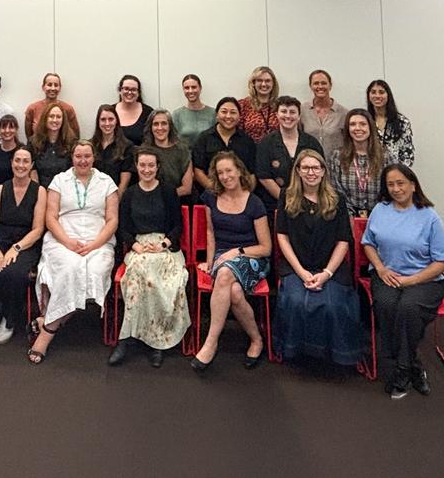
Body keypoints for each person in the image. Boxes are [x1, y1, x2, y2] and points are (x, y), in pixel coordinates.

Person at [362, 164, 444, 399]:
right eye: (390, 184)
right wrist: (381, 269)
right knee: (385, 305)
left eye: (401, 183)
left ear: (413, 185)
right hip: (387, 275)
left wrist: (412, 280)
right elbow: (368, 244)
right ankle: (413, 364)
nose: (396, 188)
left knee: (408, 307)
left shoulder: (429, 216)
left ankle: (402, 370)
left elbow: (442, 262)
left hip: (425, 279)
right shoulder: (380, 210)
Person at [27, 141, 119, 364]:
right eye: (78, 156)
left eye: (87, 156)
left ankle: (48, 324)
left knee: (94, 271)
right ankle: (49, 332)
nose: (83, 160)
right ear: (72, 158)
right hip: (62, 239)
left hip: (98, 242)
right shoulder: (60, 180)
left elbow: (112, 219)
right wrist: (67, 242)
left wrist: (95, 244)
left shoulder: (107, 182)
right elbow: (50, 217)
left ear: (93, 157)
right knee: (69, 268)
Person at [272, 149, 360, 366]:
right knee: (295, 303)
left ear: (323, 171)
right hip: (296, 266)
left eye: (316, 167)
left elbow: (343, 240)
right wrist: (301, 272)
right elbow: (282, 237)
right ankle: (297, 353)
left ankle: (333, 355)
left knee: (334, 306)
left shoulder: (337, 199)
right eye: (306, 168)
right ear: (298, 171)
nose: (311, 172)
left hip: (330, 267)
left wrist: (327, 273)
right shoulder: (286, 196)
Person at [108, 148, 190, 368]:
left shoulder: (168, 191)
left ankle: (157, 342)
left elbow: (177, 225)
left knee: (159, 283)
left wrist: (163, 244)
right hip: (139, 248)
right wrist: (135, 245)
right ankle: (125, 339)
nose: (146, 170)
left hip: (164, 247)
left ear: (157, 167)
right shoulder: (130, 194)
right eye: (142, 165)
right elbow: (123, 228)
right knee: (135, 280)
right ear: (136, 166)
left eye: (151, 166)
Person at [191, 151, 272, 371]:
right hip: (222, 256)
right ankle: (257, 339)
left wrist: (238, 251)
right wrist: (209, 262)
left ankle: (210, 343)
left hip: (252, 257)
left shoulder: (255, 203)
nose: (225, 176)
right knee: (234, 292)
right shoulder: (211, 197)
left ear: (239, 171)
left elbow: (266, 248)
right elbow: (210, 233)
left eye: (229, 170)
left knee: (226, 274)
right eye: (220, 173)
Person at [0, 146, 47, 345]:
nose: (21, 165)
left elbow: (38, 229)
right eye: (17, 160)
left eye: (25, 161)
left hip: (25, 243)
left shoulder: (40, 191)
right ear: (11, 163)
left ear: (31, 165)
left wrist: (16, 248)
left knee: (13, 273)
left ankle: (9, 319)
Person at [256, 96, 323, 214]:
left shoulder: (311, 143)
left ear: (299, 116)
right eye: (283, 111)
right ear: (276, 114)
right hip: (276, 206)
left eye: (292, 112)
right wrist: (286, 200)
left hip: (309, 205)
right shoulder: (266, 143)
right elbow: (264, 177)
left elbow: (320, 172)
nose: (288, 116)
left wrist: (305, 200)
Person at [330, 109, 387, 217]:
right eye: (352, 124)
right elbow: (335, 190)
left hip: (380, 216)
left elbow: (389, 190)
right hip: (346, 217)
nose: (357, 128)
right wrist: (350, 216)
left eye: (362, 124)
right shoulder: (337, 156)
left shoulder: (385, 157)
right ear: (347, 129)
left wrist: (378, 215)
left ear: (370, 127)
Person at [193, 97, 256, 193]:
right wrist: (217, 191)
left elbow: (252, 174)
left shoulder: (247, 141)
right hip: (211, 195)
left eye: (233, 112)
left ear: (239, 116)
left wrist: (243, 194)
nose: (228, 116)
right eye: (224, 112)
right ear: (217, 115)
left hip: (241, 197)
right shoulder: (204, 138)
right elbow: (198, 171)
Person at [142, 110, 193, 201]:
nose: (160, 128)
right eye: (156, 124)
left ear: (170, 126)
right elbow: (144, 184)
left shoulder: (182, 150)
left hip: (178, 201)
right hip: (151, 201)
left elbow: (186, 188)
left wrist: (163, 198)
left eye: (164, 123)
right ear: (151, 127)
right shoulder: (144, 151)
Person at [300, 69, 348, 162]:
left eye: (324, 83)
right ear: (311, 86)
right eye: (316, 83)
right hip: (309, 166)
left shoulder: (343, 113)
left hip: (335, 166)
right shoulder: (302, 110)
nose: (320, 86)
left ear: (330, 86)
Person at [367, 79, 415, 166]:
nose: (377, 96)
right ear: (369, 95)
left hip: (394, 173)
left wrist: (398, 174)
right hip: (369, 173)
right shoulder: (365, 121)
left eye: (381, 92)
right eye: (373, 92)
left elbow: (407, 153)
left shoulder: (402, 122)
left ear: (388, 95)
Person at [28, 102, 76, 188]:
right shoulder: (33, 142)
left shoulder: (71, 142)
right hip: (41, 190)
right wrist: (39, 191)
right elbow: (32, 170)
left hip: (66, 190)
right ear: (45, 118)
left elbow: (74, 170)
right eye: (51, 116)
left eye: (58, 117)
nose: (55, 120)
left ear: (63, 120)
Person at [89, 104, 133, 198]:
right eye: (103, 119)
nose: (107, 123)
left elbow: (123, 184)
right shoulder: (90, 146)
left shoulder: (127, 147)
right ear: (98, 122)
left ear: (116, 121)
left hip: (116, 198)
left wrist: (114, 203)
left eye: (111, 119)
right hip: (92, 198)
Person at [24, 72, 80, 139]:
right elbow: (29, 137)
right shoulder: (32, 109)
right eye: (49, 85)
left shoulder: (68, 109)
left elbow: (75, 136)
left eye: (56, 85)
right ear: (43, 87)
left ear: (60, 88)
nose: (53, 88)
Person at [171, 74, 216, 149]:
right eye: (187, 88)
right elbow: (173, 141)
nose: (190, 91)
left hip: (207, 158)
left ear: (200, 88)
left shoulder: (213, 113)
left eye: (194, 87)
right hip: (185, 158)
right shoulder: (177, 114)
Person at [238, 66, 280, 143]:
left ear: (273, 83)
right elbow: (237, 133)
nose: (264, 84)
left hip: (275, 151)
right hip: (250, 151)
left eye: (268, 81)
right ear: (253, 83)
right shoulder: (242, 105)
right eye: (259, 80)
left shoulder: (280, 105)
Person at [114, 74, 153, 146]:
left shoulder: (148, 113)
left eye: (133, 89)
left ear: (138, 93)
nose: (129, 92)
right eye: (126, 88)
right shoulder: (110, 112)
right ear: (120, 90)